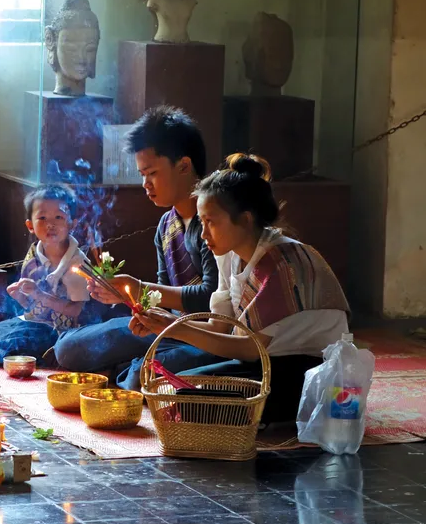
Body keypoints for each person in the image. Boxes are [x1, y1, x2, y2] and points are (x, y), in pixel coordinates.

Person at [130, 154, 350, 423]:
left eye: (210, 222)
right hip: (262, 362)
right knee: (175, 386)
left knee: (187, 397)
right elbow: (219, 327)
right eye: (202, 222)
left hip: (309, 372)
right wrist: (162, 324)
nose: (203, 234)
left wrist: (175, 327)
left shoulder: (282, 263)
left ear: (245, 219)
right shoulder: (229, 255)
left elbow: (249, 348)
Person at [54, 106, 220, 387]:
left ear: (183, 166)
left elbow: (209, 297)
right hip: (166, 329)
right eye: (142, 174)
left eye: (152, 173)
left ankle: (131, 368)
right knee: (68, 348)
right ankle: (130, 365)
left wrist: (140, 287)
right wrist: (126, 297)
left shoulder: (214, 222)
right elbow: (162, 299)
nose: (145, 184)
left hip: (204, 336)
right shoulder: (166, 225)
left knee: (140, 376)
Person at [0, 184, 95, 366]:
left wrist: (39, 295)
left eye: (59, 217)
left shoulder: (77, 263)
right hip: (34, 323)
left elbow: (75, 310)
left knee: (4, 345)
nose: (50, 224)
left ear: (72, 223)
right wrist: (20, 296)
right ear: (30, 225)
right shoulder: (34, 254)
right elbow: (31, 305)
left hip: (62, 332)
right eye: (42, 218)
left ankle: (42, 356)